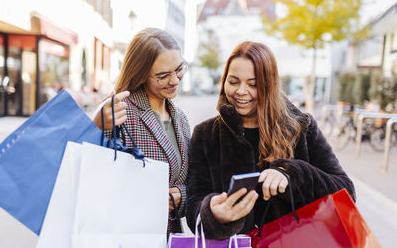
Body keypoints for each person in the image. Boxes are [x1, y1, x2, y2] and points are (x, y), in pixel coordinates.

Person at [185, 41, 355, 239]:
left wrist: (292, 173)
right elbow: (194, 205)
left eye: (253, 84)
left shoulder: (302, 128)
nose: (241, 91)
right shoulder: (206, 135)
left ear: (269, 85)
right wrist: (212, 213)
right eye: (233, 82)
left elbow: (346, 193)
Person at [93, 28, 190, 233]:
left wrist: (181, 196)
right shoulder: (119, 111)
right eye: (163, 75)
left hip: (169, 235)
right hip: (124, 235)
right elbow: (88, 172)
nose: (175, 80)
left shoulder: (181, 119)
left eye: (179, 69)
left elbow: (191, 182)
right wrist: (95, 127)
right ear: (142, 73)